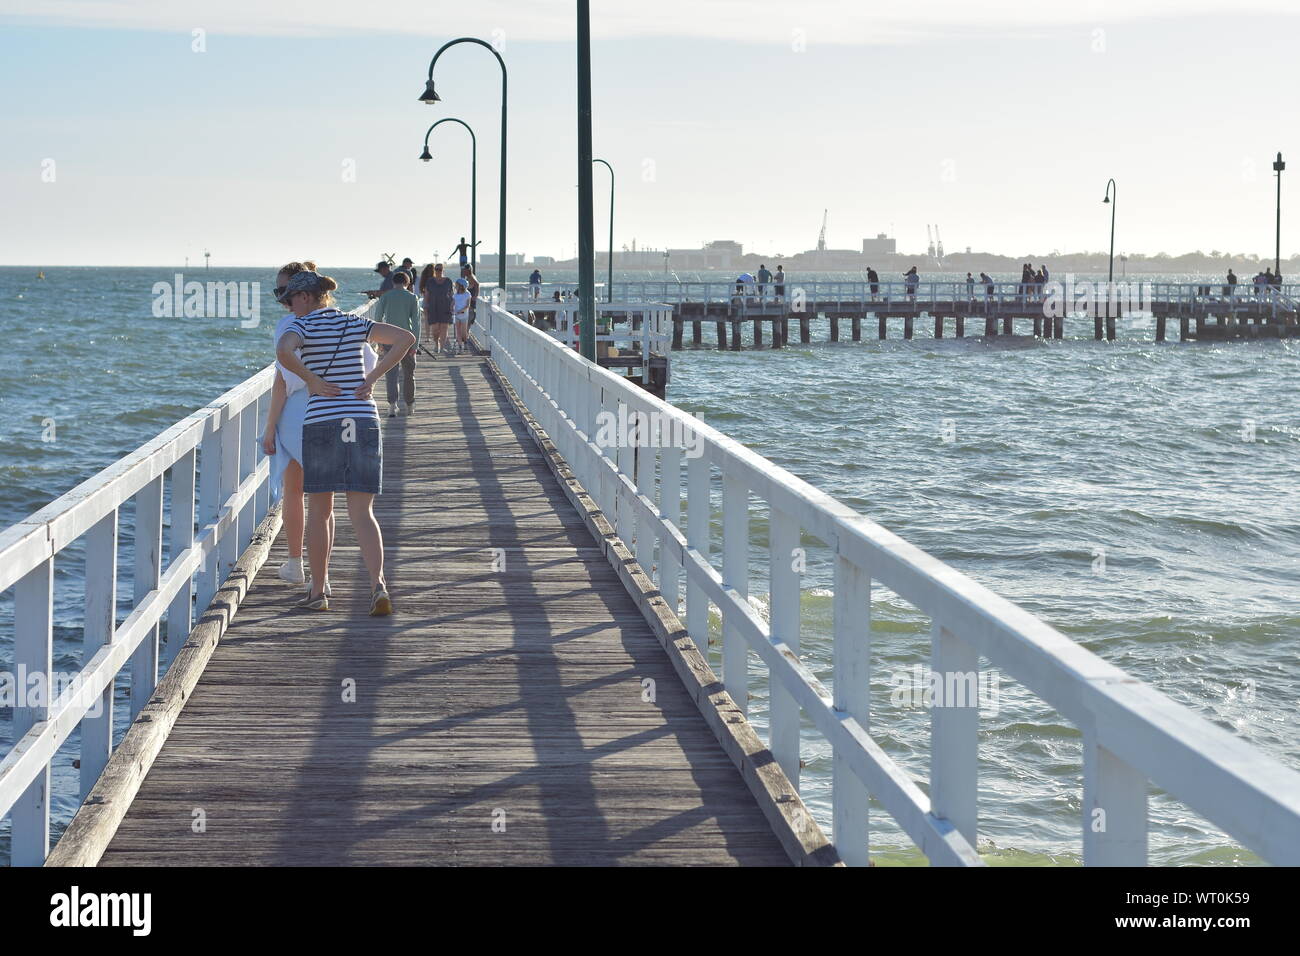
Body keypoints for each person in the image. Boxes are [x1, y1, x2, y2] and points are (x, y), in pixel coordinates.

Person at [275, 269, 415, 615]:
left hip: (322, 420)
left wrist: (311, 380)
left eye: (291, 299)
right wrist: (372, 378)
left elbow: (282, 350)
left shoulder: (301, 326)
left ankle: (319, 591)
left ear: (305, 297)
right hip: (363, 418)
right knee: (363, 512)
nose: (289, 307)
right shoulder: (354, 324)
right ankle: (378, 586)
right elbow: (405, 338)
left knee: (320, 512)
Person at [261, 260, 333, 594]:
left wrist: (270, 427)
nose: (281, 299)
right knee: (324, 501)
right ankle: (323, 577)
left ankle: (295, 564)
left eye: (283, 291)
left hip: (297, 413)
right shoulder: (337, 322)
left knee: (294, 491)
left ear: (298, 293)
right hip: (331, 409)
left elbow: (282, 381)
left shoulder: (289, 325)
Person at [376, 271, 422, 417]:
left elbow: (378, 319)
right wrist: (415, 345)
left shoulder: (385, 296)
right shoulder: (412, 297)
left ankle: (392, 405)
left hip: (389, 338)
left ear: (393, 282)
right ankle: (410, 404)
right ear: (407, 283)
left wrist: (379, 341)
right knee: (409, 373)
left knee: (391, 373)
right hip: (407, 339)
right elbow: (416, 323)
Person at [424, 262, 455, 352]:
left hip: (446, 307)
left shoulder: (448, 281)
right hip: (433, 307)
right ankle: (436, 343)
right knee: (435, 329)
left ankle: (441, 348)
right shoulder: (430, 281)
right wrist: (425, 306)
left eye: (440, 269)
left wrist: (453, 305)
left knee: (444, 328)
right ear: (434, 270)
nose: (438, 271)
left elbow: (452, 294)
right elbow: (427, 295)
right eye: (436, 269)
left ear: (443, 270)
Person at [452, 278, 472, 352]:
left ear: (461, 285)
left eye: (456, 285)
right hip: (457, 315)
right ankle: (460, 346)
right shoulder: (456, 294)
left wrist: (461, 311)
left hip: (464, 315)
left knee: (463, 332)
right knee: (458, 331)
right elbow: (453, 303)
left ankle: (465, 342)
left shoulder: (467, 294)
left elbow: (467, 305)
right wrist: (451, 308)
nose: (455, 286)